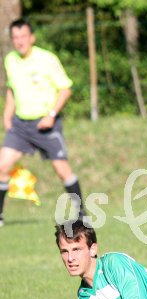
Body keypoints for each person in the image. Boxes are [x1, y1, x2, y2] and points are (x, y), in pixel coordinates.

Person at [0, 19, 85, 227]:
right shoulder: (10, 59)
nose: (19, 41)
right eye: (15, 37)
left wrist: (52, 114)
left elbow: (66, 88)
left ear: (32, 37)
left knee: (62, 169)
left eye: (23, 37)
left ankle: (82, 213)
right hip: (20, 125)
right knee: (2, 166)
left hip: (46, 125)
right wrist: (7, 115)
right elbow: (11, 89)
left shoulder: (46, 59)